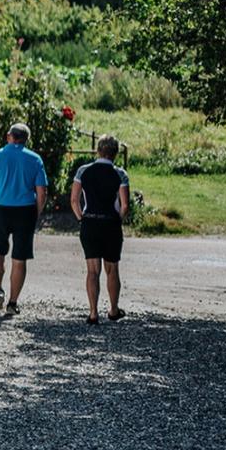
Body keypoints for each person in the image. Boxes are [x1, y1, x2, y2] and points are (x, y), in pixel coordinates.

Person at [0, 123, 48, 315]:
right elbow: (42, 191)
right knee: (20, 258)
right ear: (26, 139)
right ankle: (12, 303)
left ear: (9, 135)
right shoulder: (35, 159)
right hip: (25, 211)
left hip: (0, 209)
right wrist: (37, 212)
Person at [70, 135, 130, 325]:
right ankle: (113, 309)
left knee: (92, 270)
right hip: (110, 223)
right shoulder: (120, 174)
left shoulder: (83, 171)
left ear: (98, 150)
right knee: (112, 269)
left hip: (90, 222)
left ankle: (93, 312)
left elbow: (74, 200)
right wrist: (117, 219)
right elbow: (125, 204)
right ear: (115, 153)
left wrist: (81, 218)